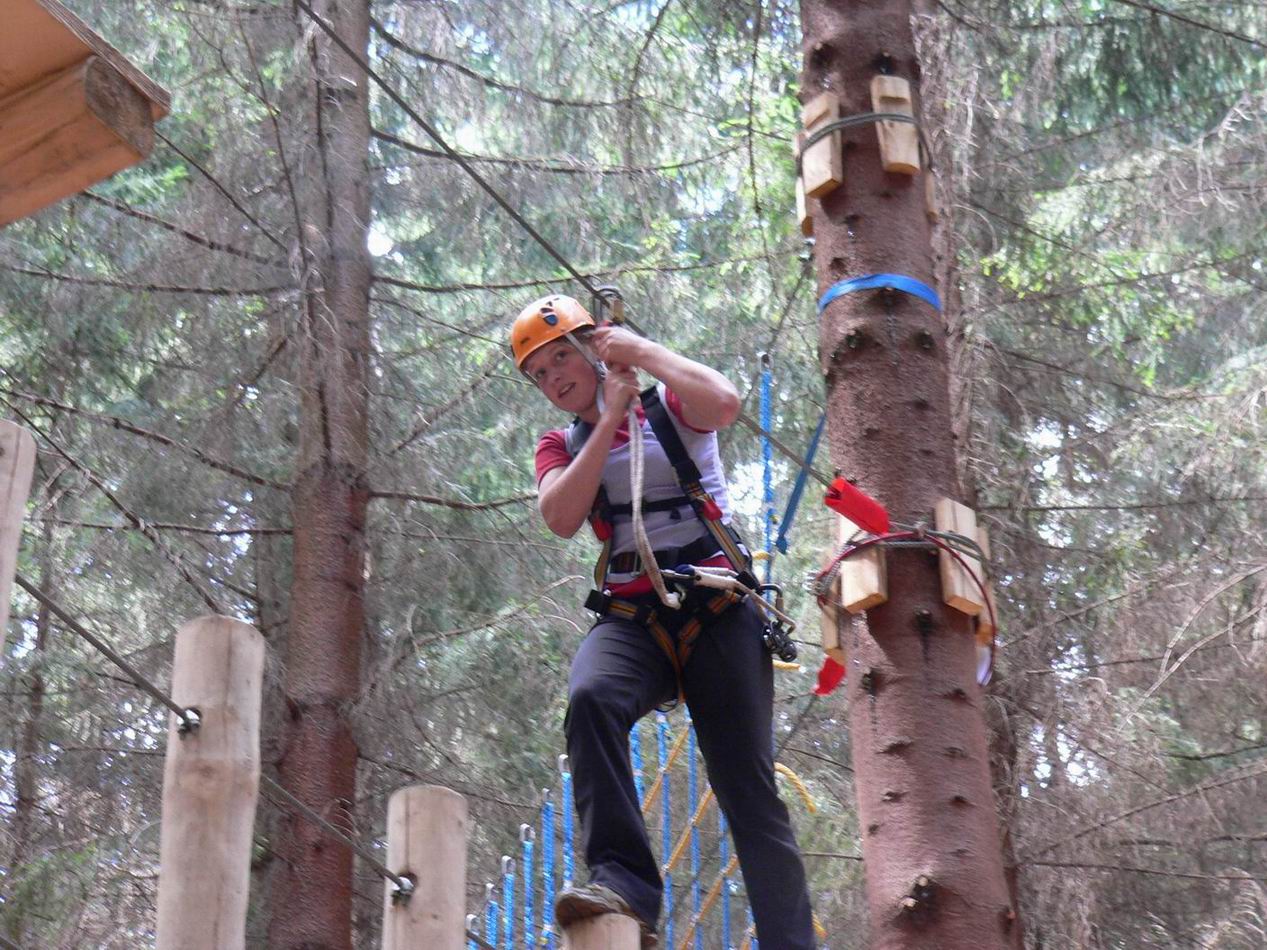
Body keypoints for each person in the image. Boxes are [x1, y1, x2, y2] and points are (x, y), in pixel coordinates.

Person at [511, 294, 815, 949]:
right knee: (591, 697)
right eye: (538, 374)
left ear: (591, 348)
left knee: (746, 788)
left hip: (716, 607)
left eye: (560, 358)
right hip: (634, 618)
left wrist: (639, 354)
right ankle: (624, 886)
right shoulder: (560, 444)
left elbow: (724, 403)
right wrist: (606, 419)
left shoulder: (670, 408)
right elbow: (560, 516)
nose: (553, 377)